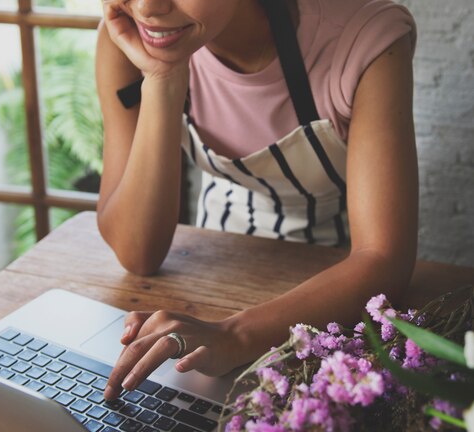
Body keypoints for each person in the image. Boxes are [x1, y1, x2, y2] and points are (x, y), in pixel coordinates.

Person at [95, 0, 418, 402]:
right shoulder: (132, 35)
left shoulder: (365, 39)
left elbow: (383, 260)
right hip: (205, 276)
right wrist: (162, 77)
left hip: (333, 292)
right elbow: (138, 252)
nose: (146, 6)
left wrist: (234, 334)